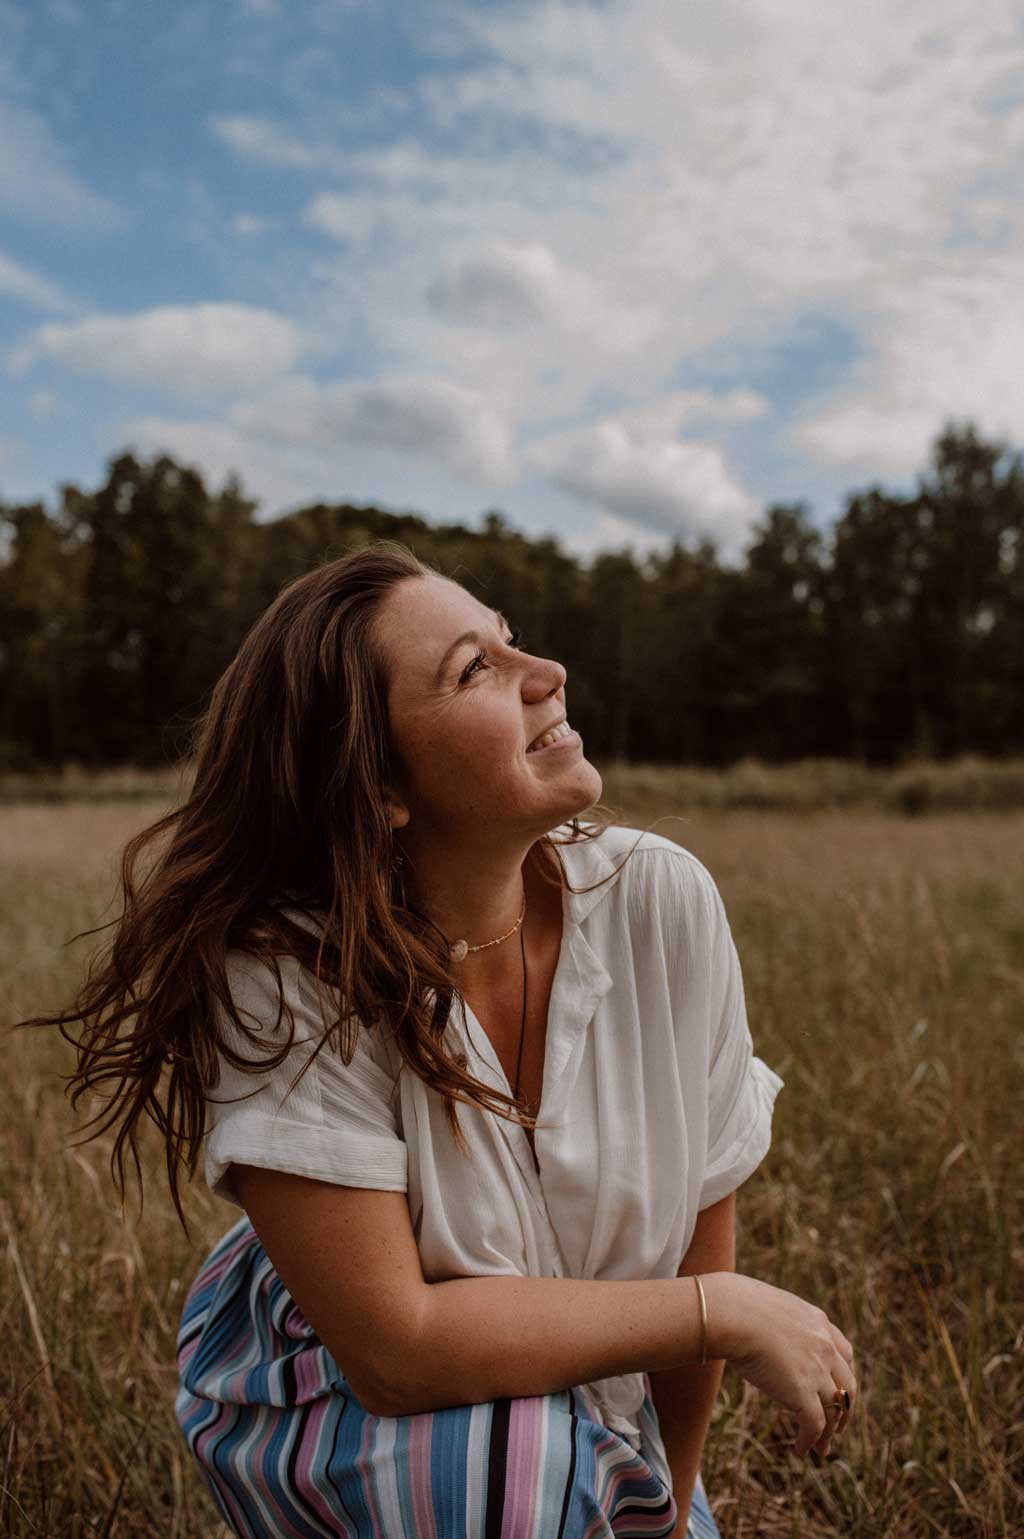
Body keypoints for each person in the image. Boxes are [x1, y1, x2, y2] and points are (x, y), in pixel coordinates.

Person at [17, 540, 856, 1538]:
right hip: (350, 1405)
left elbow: (696, 1221)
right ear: (380, 786)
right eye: (477, 671)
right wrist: (724, 1309)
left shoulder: (661, 899)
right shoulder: (282, 974)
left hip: (573, 1405)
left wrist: (673, 1505)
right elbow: (397, 1350)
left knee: (572, 1473)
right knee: (504, 1464)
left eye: (509, 642)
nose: (545, 677)